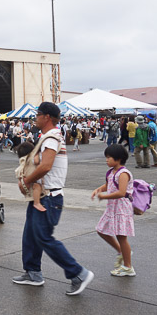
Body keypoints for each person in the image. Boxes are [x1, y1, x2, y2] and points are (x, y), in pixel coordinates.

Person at [13, 102, 95, 296]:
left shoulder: (51, 138)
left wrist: (26, 181)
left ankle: (78, 273)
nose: (35, 118)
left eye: (38, 114)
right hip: (43, 195)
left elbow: (46, 166)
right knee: (30, 234)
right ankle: (33, 272)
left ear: (47, 117)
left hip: (49, 197)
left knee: (43, 237)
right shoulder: (48, 137)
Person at [91, 144, 136, 277]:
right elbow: (108, 185)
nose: (106, 160)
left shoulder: (123, 173)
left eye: (109, 157)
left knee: (122, 237)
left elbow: (121, 192)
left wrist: (104, 196)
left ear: (118, 159)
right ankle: (121, 252)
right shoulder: (111, 172)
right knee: (101, 229)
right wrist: (99, 189)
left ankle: (128, 267)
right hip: (112, 208)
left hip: (121, 209)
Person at [15, 141, 45, 213]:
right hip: (31, 175)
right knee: (37, 186)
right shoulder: (32, 157)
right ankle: (37, 203)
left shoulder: (22, 159)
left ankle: (26, 194)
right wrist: (37, 153)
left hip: (22, 174)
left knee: (22, 184)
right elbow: (37, 161)